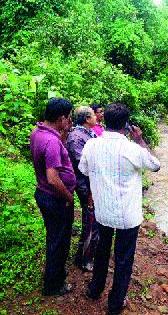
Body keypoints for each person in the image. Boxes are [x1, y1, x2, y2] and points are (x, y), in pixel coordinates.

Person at [78, 103, 160, 315]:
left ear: (104, 121)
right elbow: (155, 164)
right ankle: (115, 304)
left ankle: (95, 289)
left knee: (102, 251)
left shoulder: (91, 145)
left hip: (103, 211)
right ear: (126, 125)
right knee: (123, 258)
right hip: (127, 215)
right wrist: (140, 139)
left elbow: (84, 170)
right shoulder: (132, 148)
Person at [30, 98, 76, 296]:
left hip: (43, 194)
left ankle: (54, 277)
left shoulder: (38, 131)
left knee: (54, 238)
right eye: (69, 118)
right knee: (59, 242)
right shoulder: (51, 142)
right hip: (55, 197)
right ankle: (54, 285)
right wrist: (68, 197)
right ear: (61, 118)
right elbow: (53, 178)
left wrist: (62, 136)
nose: (70, 122)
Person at [65, 106, 99, 272]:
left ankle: (88, 254)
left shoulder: (87, 133)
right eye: (93, 115)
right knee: (91, 220)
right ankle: (84, 258)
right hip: (85, 185)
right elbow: (82, 165)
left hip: (90, 183)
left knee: (93, 219)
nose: (97, 117)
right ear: (86, 118)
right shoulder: (77, 137)